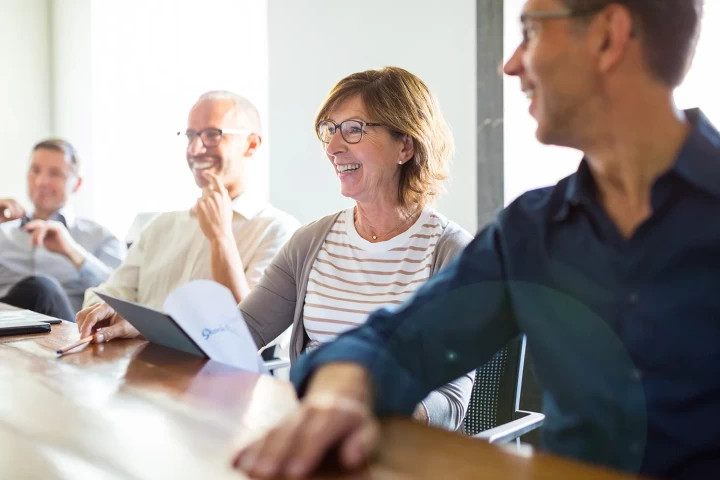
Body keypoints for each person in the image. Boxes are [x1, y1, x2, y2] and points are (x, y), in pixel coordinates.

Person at [234, 1, 718, 479]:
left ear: (607, 35)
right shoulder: (532, 229)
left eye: (530, 30)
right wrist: (344, 386)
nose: (510, 65)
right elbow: (406, 339)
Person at [238, 67, 475, 431]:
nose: (333, 147)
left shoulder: (452, 253)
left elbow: (451, 402)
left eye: (353, 129)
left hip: (394, 444)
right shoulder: (309, 243)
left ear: (405, 146)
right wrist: (154, 328)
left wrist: (374, 403)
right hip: (308, 432)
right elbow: (242, 330)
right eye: (330, 130)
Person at [76, 91, 300, 342]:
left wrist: (221, 238)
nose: (195, 149)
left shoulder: (279, 230)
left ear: (251, 144)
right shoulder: (161, 226)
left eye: (213, 135)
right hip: (135, 368)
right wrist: (109, 312)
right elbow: (107, 293)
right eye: (191, 135)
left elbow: (249, 334)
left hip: (214, 377)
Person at [0, 139, 125, 320]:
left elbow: (124, 296)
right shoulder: (3, 232)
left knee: (42, 288)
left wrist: (73, 252)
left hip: (64, 338)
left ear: (77, 184)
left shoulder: (101, 237)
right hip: (6, 335)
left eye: (55, 173)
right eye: (35, 170)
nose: (41, 181)